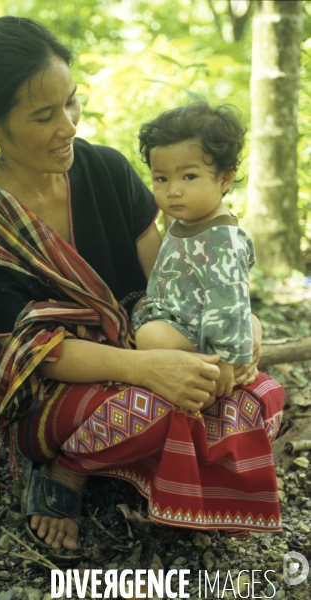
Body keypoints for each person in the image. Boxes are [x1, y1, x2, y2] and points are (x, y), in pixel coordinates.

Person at [0, 15, 284, 552]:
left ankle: (132, 462)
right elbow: (28, 354)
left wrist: (241, 320)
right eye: (45, 115)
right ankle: (63, 470)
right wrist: (150, 370)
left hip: (145, 347)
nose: (68, 125)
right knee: (154, 410)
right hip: (55, 390)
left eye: (72, 102)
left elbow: (170, 281)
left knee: (262, 393)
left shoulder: (106, 170)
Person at [133, 103, 254, 405]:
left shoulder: (220, 238)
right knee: (139, 317)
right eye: (161, 179)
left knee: (150, 337)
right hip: (181, 314)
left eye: (188, 177)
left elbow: (227, 299)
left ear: (225, 178)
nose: (173, 190)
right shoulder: (187, 222)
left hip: (201, 328)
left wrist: (225, 360)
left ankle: (205, 378)